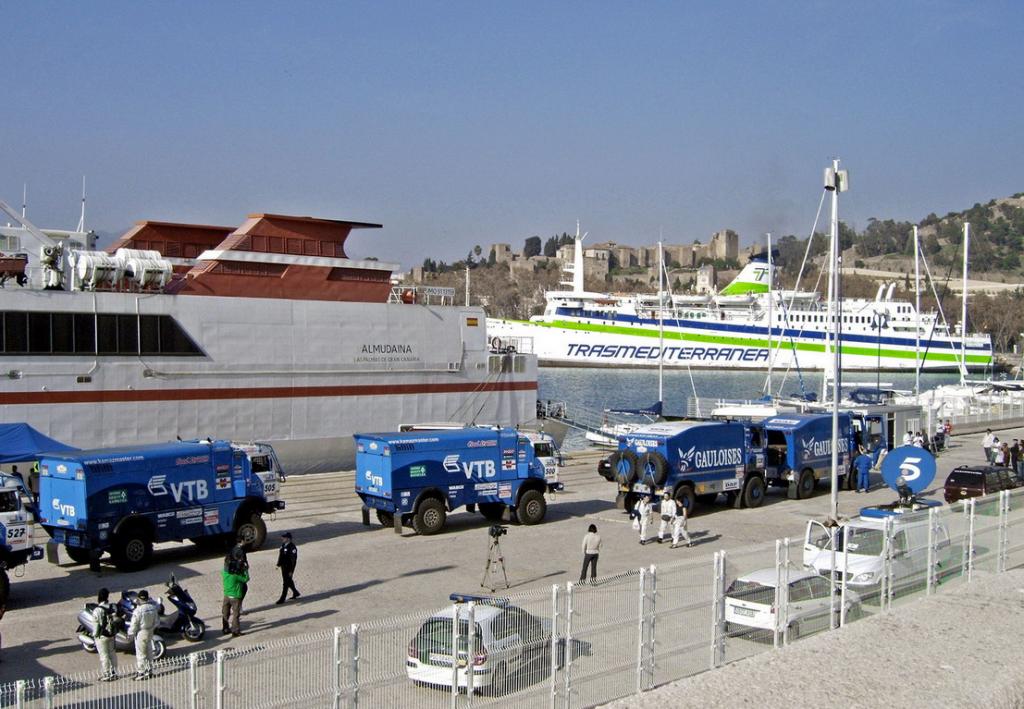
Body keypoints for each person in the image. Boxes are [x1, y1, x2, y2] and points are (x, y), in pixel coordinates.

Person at [127, 589, 158, 681]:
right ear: (147, 598)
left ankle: (141, 673)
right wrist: (152, 628)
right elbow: (157, 621)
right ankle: (149, 671)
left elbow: (134, 625)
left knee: (141, 653)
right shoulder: (153, 608)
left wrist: (130, 634)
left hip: (141, 632)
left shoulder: (138, 611)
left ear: (139, 599)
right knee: (149, 652)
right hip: (150, 631)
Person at [93, 588, 120, 681]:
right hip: (111, 634)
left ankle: (106, 674)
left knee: (104, 655)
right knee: (112, 653)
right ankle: (114, 672)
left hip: (102, 635)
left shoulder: (97, 610)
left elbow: (96, 625)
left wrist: (95, 635)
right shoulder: (112, 607)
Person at [222, 556, 250, 636]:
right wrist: (245, 570)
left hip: (226, 595)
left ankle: (225, 628)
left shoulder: (224, 573)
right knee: (236, 614)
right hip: (235, 596)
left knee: (225, 613)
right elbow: (246, 579)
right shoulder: (235, 576)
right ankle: (235, 631)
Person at [276, 532, 301, 604]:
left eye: (284, 537)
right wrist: (278, 564)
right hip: (283, 566)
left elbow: (293, 561)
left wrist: (291, 571)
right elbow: (281, 555)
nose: (282, 538)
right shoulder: (283, 545)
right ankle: (295, 592)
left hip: (289, 567)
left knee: (285, 583)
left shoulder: (292, 547)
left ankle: (282, 598)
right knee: (289, 581)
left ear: (288, 539)